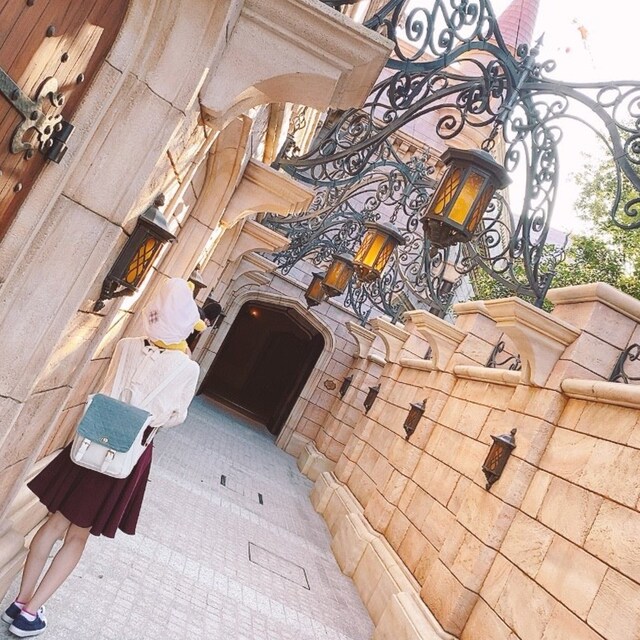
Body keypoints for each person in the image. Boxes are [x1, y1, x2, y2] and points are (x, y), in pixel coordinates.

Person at [3, 278, 201, 637]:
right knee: (77, 536)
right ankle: (30, 615)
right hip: (125, 454)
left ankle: (20, 602)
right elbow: (174, 417)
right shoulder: (186, 368)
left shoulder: (126, 346)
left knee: (54, 522)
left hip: (90, 440)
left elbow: (109, 387)